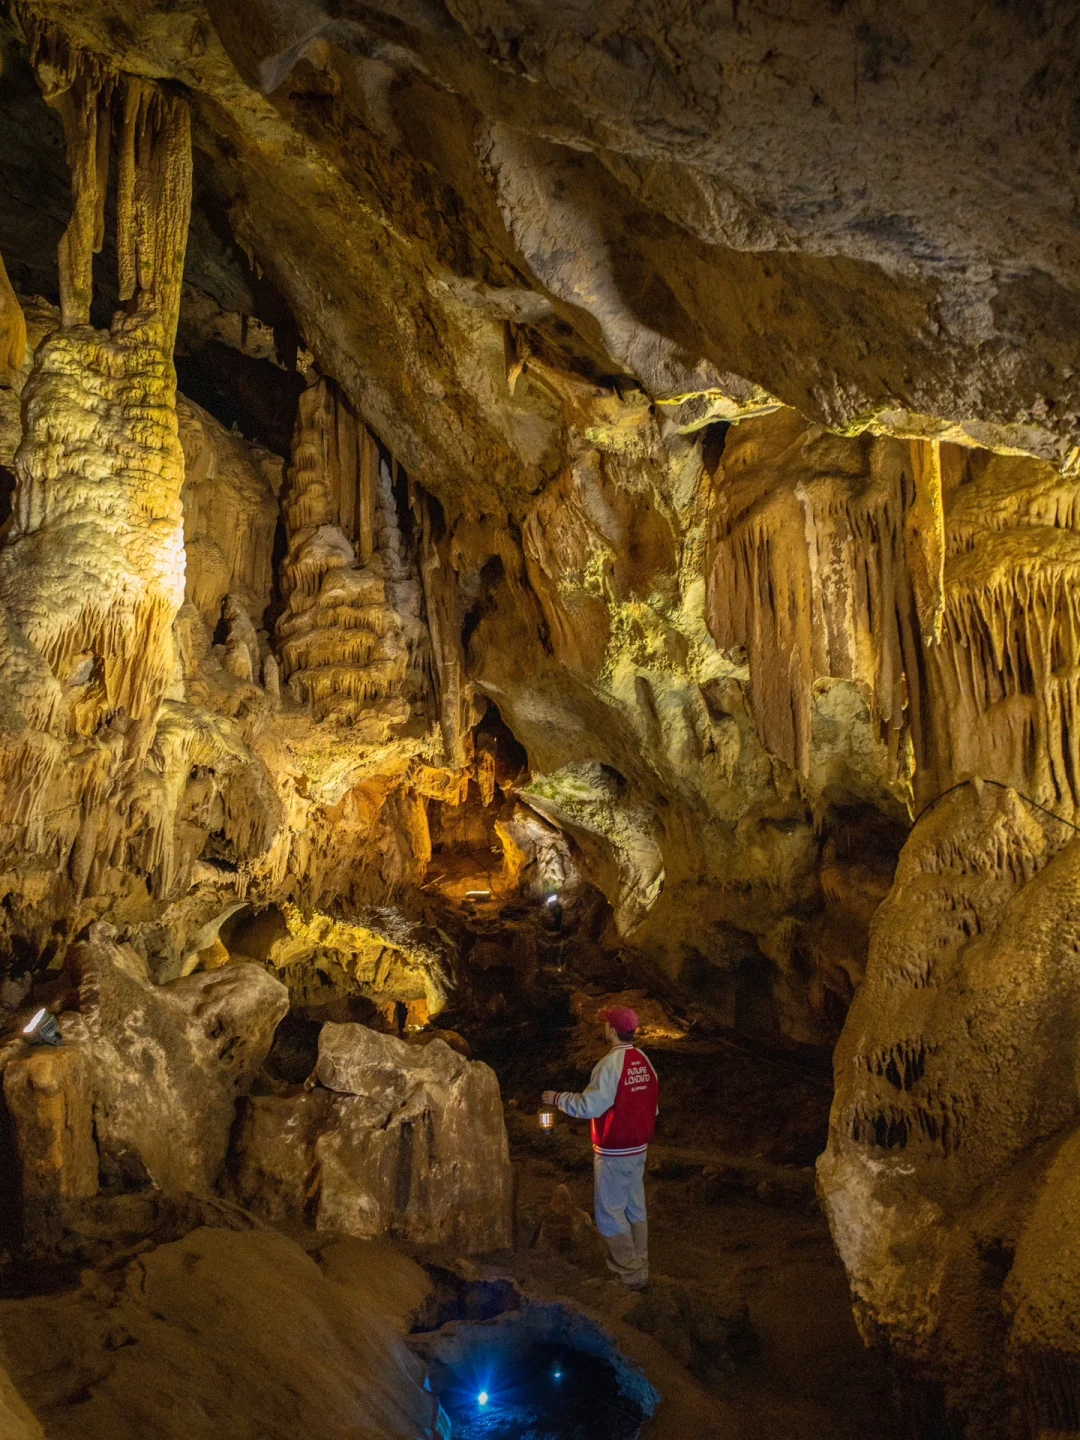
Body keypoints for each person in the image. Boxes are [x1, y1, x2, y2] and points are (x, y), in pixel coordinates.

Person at [542, 1005, 658, 1289]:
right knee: (635, 1208)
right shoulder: (643, 1060)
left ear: (612, 1029)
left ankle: (628, 1275)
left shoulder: (610, 1065)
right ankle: (640, 1266)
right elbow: (652, 1106)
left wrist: (557, 1098)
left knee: (610, 1212)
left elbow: (590, 1105)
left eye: (606, 1023)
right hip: (638, 1148)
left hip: (614, 1149)